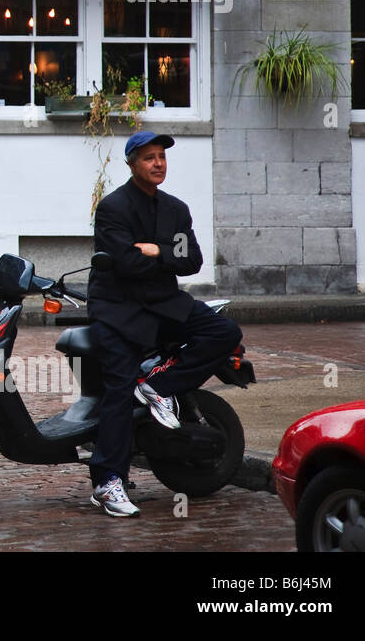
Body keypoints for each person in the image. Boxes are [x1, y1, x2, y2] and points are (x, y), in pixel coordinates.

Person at [85, 131, 243, 517]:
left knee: (225, 332)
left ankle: (157, 384)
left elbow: (192, 261)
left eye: (162, 157)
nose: (158, 163)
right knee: (118, 388)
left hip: (164, 304)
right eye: (149, 158)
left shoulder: (176, 209)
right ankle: (109, 482)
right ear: (132, 164)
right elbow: (126, 263)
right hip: (118, 309)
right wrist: (167, 254)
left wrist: (156, 249)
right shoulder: (112, 208)